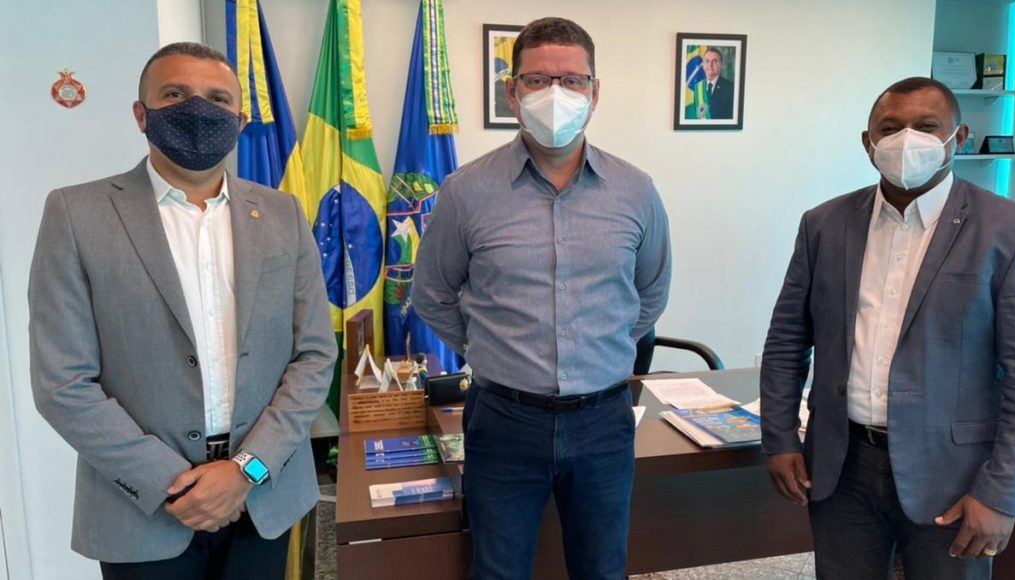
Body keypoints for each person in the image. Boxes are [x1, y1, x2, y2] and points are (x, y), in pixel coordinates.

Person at [28, 42, 336, 580]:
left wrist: (245, 471)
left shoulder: (282, 214)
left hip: (263, 499)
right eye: (175, 94)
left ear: (239, 121)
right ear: (141, 114)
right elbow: (63, 383)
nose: (198, 109)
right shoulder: (76, 215)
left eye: (218, 99)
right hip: (141, 513)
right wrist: (173, 483)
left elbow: (313, 356)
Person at [760, 76, 1015, 579]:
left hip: (955, 477)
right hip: (841, 467)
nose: (907, 140)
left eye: (927, 127)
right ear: (868, 143)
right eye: (890, 128)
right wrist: (779, 438)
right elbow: (786, 341)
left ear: (958, 138)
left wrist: (1002, 493)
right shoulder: (824, 224)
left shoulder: (1014, 232)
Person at [412, 17, 671, 580]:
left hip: (603, 419)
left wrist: (599, 346)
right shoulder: (465, 192)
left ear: (595, 93)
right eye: (537, 80)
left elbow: (650, 294)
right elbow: (431, 296)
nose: (556, 94)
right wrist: (491, 346)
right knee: (498, 570)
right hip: (504, 418)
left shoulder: (636, 191)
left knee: (602, 569)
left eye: (573, 80)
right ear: (512, 92)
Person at [686, 47, 734, 120]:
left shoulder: (730, 88)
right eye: (707, 61)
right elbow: (698, 117)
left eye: (714, 61)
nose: (710, 65)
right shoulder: (698, 88)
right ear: (703, 65)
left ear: (721, 64)